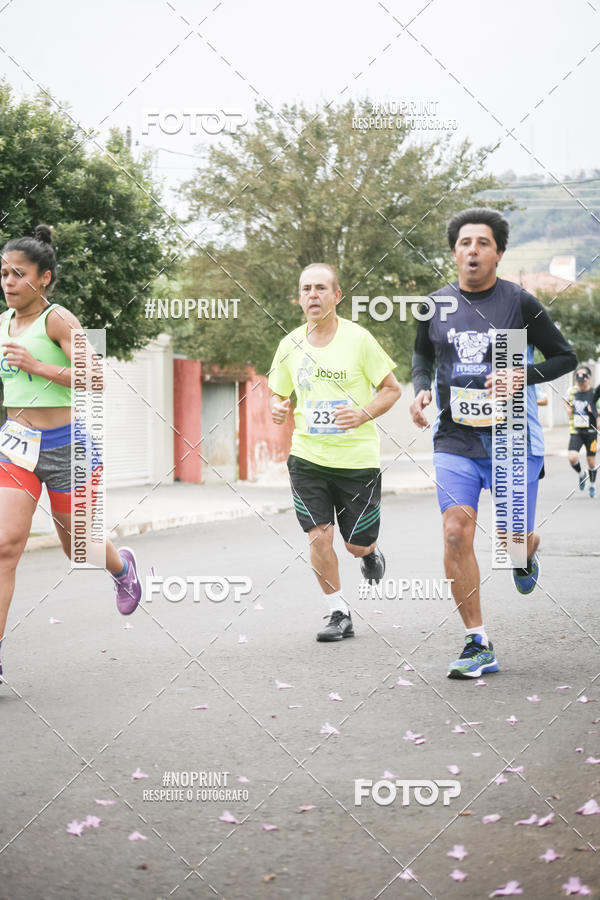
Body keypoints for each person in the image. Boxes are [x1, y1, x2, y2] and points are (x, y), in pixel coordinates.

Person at [410, 208, 577, 679]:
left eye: (483, 243)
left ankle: (527, 550)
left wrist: (521, 374)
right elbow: (422, 353)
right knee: (454, 532)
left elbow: (566, 356)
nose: (473, 251)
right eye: (465, 243)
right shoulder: (434, 305)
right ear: (454, 251)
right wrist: (421, 387)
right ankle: (477, 642)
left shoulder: (519, 303)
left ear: (498, 253)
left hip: (511, 439)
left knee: (511, 546)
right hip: (455, 438)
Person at [0, 225, 142, 682]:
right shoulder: (2, 322)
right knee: (4, 547)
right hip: (16, 447)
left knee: (77, 548)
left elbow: (96, 378)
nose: (7, 282)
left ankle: (122, 567)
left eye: (18, 274)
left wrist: (38, 365)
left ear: (43, 278)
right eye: (3, 273)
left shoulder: (59, 319)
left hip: (68, 448)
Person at [268, 263, 401, 641]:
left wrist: (361, 414)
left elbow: (392, 389)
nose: (313, 294)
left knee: (356, 544)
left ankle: (370, 555)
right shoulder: (289, 345)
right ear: (299, 298)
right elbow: (279, 394)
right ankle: (338, 613)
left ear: (337, 296)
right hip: (307, 458)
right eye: (306, 289)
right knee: (318, 536)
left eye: (321, 288)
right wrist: (278, 407)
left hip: (357, 461)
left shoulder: (359, 340)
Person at [563, 365, 599, 498]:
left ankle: (592, 485)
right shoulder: (571, 391)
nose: (580, 383)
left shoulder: (595, 393)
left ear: (588, 379)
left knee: (591, 461)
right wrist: (567, 409)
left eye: (583, 380)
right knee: (572, 457)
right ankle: (581, 474)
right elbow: (565, 401)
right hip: (576, 431)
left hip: (591, 432)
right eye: (578, 380)